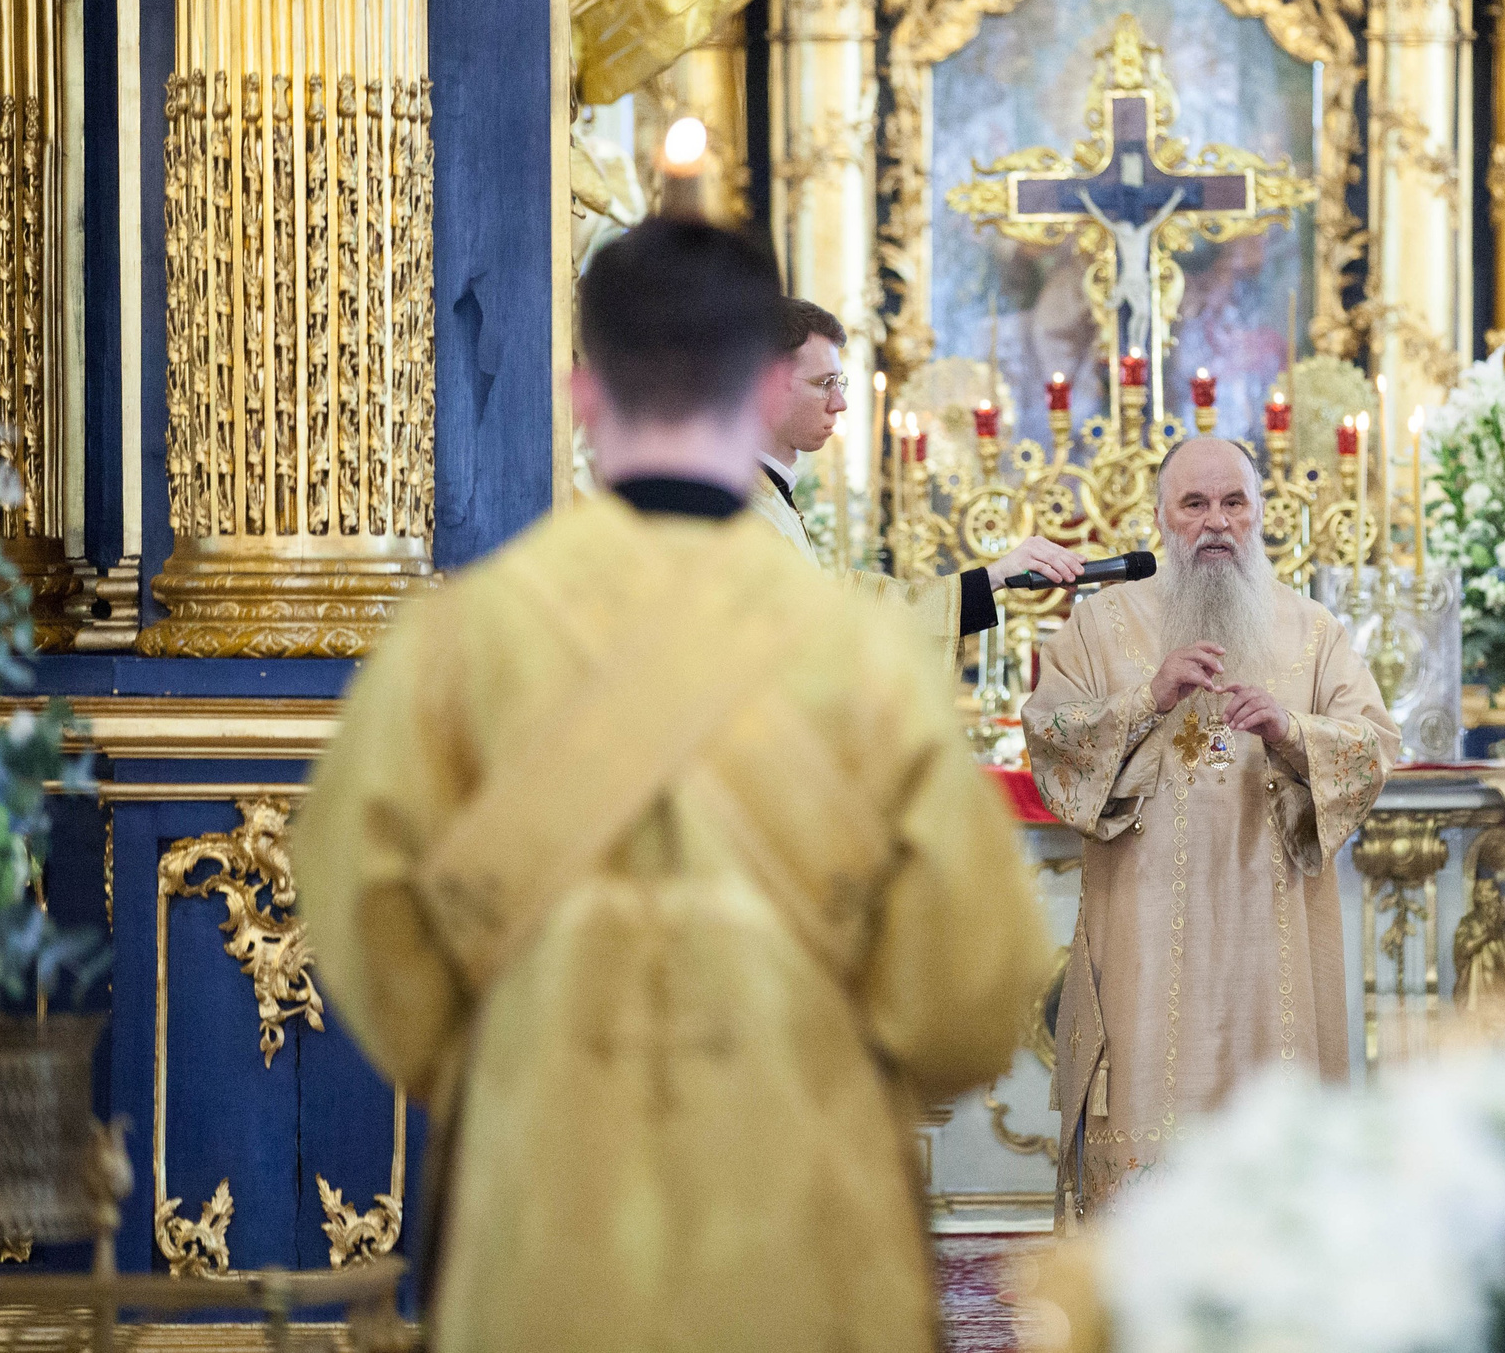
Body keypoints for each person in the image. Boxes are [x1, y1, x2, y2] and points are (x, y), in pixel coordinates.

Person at [293, 219, 1049, 1353]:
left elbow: (362, 914)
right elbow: (972, 991)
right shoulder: (865, 659)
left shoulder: (459, 645)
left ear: (582, 392)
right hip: (805, 1234)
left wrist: (508, 1057)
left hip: (542, 1225)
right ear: (761, 389)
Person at [1025, 435, 1398, 1211]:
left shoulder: (1312, 629)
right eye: (1195, 504)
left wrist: (1294, 731)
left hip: (1277, 944)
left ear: (1260, 514)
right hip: (1144, 939)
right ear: (1162, 516)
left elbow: (1374, 748)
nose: (1216, 522)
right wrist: (1148, 698)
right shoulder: (1101, 626)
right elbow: (1053, 744)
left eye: (1234, 502)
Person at [754, 297, 1082, 655]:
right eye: (823, 383)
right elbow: (829, 629)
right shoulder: (745, 510)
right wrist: (994, 577)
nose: (840, 403)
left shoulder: (769, 494)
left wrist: (996, 576)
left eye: (840, 383)